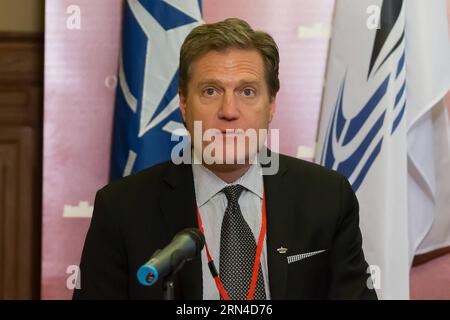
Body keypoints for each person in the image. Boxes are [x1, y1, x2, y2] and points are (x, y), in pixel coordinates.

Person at [73, 18, 377, 300]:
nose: (229, 111)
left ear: (271, 104)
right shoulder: (122, 208)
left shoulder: (326, 196)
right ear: (183, 103)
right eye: (210, 90)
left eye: (247, 91)